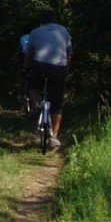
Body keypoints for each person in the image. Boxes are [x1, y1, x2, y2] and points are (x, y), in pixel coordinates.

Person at [23, 10, 72, 149]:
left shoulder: (35, 32)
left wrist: (25, 69)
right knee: (57, 102)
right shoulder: (64, 31)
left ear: (42, 20)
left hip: (40, 65)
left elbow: (29, 55)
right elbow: (69, 54)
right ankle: (54, 137)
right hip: (58, 68)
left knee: (32, 86)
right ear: (55, 19)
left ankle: (37, 106)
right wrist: (65, 71)